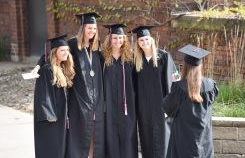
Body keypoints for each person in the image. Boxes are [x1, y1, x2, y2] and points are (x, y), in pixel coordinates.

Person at [32, 12, 105, 158]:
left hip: (95, 100)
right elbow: (52, 54)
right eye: (89, 28)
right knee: (79, 136)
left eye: (94, 28)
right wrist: (39, 65)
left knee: (94, 136)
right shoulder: (72, 44)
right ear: (82, 28)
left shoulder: (97, 48)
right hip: (78, 99)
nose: (92, 31)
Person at [163, 44, 218, 158]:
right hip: (204, 136)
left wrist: (174, 84)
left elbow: (168, 108)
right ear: (200, 65)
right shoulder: (210, 85)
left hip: (183, 137)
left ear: (185, 66)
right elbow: (211, 101)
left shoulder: (179, 87)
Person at [130, 25, 177, 158]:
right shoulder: (136, 61)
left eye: (146, 39)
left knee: (163, 141)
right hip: (143, 109)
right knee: (147, 141)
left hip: (160, 108)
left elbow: (172, 82)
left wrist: (169, 107)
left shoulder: (164, 57)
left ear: (151, 39)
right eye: (141, 40)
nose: (144, 43)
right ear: (138, 43)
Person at [34, 35, 75, 158]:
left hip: (61, 116)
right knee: (52, 149)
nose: (66, 53)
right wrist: (50, 116)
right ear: (54, 52)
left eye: (67, 50)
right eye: (62, 50)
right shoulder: (47, 70)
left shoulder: (62, 68)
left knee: (61, 149)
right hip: (52, 119)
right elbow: (43, 94)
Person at [101, 24, 138, 158]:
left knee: (128, 136)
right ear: (109, 39)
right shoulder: (102, 58)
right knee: (110, 136)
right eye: (115, 38)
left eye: (120, 38)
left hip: (127, 105)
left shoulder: (130, 58)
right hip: (109, 105)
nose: (118, 41)